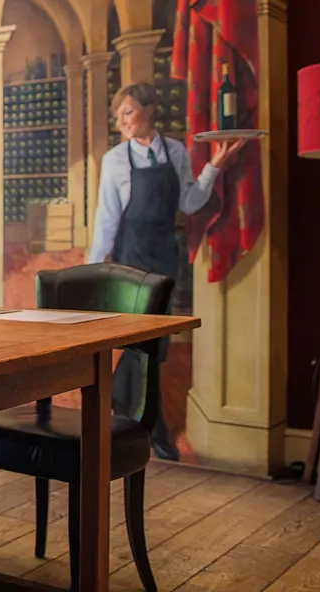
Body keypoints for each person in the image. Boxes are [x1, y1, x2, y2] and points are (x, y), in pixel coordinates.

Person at [88, 83, 245, 460]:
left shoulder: (175, 152)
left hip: (162, 257)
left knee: (154, 346)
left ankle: (127, 417)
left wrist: (215, 165)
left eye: (127, 112)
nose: (121, 121)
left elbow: (190, 202)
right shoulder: (114, 160)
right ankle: (147, 428)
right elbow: (106, 221)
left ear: (149, 109)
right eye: (118, 115)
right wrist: (92, 271)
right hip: (129, 258)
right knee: (135, 340)